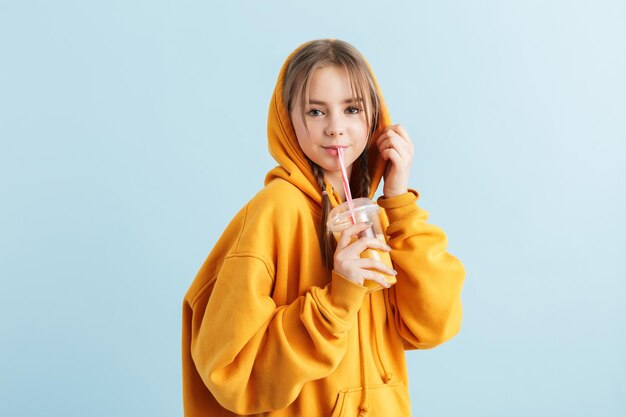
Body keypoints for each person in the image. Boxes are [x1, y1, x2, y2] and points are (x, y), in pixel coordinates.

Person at [182, 39, 465, 417]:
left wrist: (398, 203)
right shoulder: (275, 211)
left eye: (351, 109)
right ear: (288, 121)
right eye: (316, 112)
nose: (336, 128)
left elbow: (432, 326)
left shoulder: (374, 218)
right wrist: (336, 300)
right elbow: (231, 371)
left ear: (374, 118)